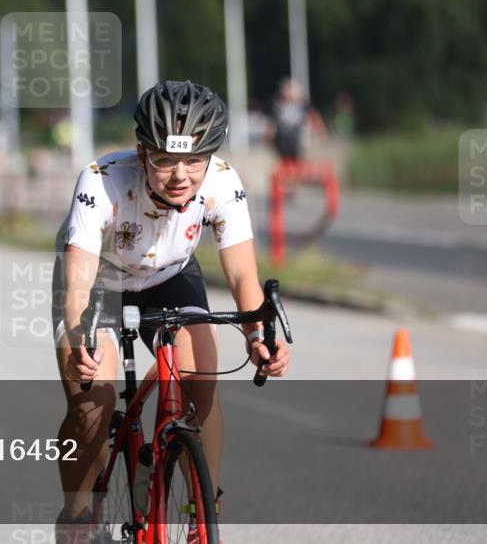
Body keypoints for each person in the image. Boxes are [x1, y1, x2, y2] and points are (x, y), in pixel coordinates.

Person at [52, 80, 290, 541]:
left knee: (202, 375)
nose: (180, 175)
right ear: (142, 155)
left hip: (168, 276)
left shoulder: (223, 180)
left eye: (193, 160)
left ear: (210, 157)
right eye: (164, 160)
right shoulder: (102, 179)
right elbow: (78, 277)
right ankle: (76, 514)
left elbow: (242, 275)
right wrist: (81, 332)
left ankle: (203, 509)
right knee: (93, 404)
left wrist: (257, 336)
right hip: (99, 282)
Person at [269, 77, 327, 163]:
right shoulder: (277, 105)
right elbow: (272, 124)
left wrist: (320, 132)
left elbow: (313, 116)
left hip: (296, 140)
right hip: (282, 140)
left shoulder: (302, 105)